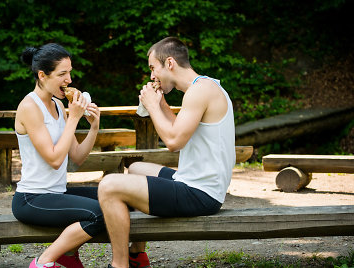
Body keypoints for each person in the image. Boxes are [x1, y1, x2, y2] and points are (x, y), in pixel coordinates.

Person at [98, 37, 236, 268]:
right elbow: (179, 129)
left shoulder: (199, 91)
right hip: (193, 182)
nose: (152, 76)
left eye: (153, 68)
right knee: (135, 168)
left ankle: (120, 264)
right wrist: (160, 103)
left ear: (169, 63)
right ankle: (137, 255)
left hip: (200, 194)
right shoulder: (205, 86)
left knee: (109, 186)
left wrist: (152, 106)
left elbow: (173, 141)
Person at [12, 43, 104, 268]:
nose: (69, 80)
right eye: (62, 74)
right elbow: (54, 160)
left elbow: (77, 157)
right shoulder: (29, 107)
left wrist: (94, 127)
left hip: (57, 192)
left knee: (118, 197)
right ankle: (44, 261)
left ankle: (69, 254)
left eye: (70, 72)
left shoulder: (58, 104)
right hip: (32, 199)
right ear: (42, 75)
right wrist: (73, 118)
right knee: (100, 215)